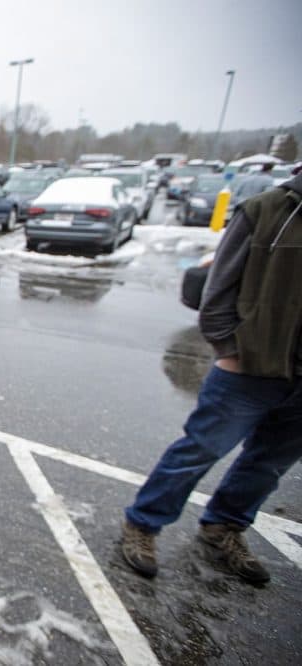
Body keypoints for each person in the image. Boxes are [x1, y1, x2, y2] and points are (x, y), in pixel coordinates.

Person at [122, 169, 302, 584]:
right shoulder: (267, 211)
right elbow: (218, 288)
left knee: (268, 465)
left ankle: (225, 526)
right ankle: (144, 523)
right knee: (199, 449)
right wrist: (229, 348)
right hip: (250, 367)